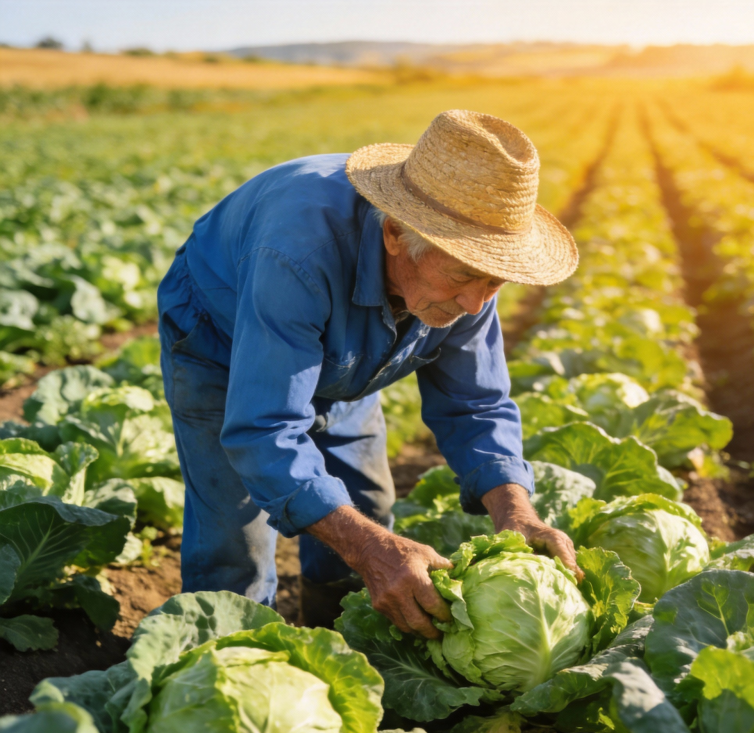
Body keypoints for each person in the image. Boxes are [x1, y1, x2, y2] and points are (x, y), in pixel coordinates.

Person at [157, 109, 581, 637]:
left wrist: (516, 509)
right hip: (222, 338)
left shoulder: (466, 282)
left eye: (495, 283)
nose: (476, 304)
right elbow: (264, 428)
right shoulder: (295, 254)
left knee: (367, 504)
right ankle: (220, 663)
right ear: (397, 233)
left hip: (354, 348)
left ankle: (340, 637)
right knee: (234, 535)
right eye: (465, 276)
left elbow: (475, 403)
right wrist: (371, 551)